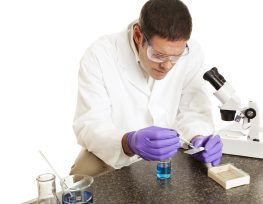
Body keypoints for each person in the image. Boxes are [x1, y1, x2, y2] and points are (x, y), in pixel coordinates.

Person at [70, 0, 223, 177]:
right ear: (137, 35)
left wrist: (198, 137)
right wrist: (129, 142)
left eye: (176, 57)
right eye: (158, 55)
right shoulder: (99, 55)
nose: (167, 65)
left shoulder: (192, 51)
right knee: (81, 180)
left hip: (170, 151)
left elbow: (194, 111)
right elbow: (89, 124)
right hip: (112, 152)